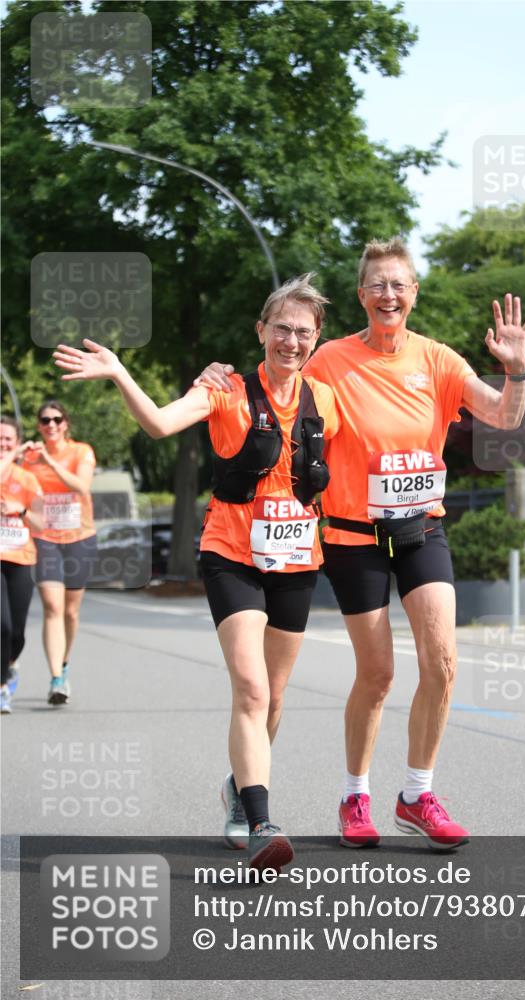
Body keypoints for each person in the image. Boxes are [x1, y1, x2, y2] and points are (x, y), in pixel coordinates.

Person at [195, 237, 525, 851]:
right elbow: (275, 380)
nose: (388, 294)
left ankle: (417, 795)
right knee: (377, 674)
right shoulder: (329, 359)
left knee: (443, 663)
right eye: (377, 284)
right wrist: (219, 378)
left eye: (399, 284)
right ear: (361, 295)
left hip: (422, 529)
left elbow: (505, 416)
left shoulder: (438, 360)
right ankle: (355, 797)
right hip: (353, 537)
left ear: (414, 294)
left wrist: (515, 370)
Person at [53, 274, 339, 872]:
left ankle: (238, 787)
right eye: (281, 328)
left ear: (316, 339)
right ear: (260, 331)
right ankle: (261, 823)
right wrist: (119, 373)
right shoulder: (225, 389)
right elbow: (159, 424)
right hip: (231, 552)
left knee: (275, 696)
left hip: (296, 559)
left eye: (303, 332)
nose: (291, 341)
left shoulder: (326, 400)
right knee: (251, 688)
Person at [20, 401, 98, 707]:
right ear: (38, 426)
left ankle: (64, 664)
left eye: (56, 419)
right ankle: (55, 679)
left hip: (79, 537)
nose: (51, 425)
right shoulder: (30, 460)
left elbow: (82, 487)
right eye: (45, 420)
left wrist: (50, 463)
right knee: (53, 606)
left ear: (65, 423)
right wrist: (18, 456)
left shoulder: (81, 452)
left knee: (70, 611)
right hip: (45, 539)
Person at [0, 416, 44, 714]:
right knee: (1, 625)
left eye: (8, 440)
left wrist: (21, 510)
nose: (3, 444)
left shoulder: (27, 480)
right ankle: (2, 686)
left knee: (16, 632)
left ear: (17, 442)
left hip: (21, 557)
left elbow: (41, 523)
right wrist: (13, 456)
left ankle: (11, 663)